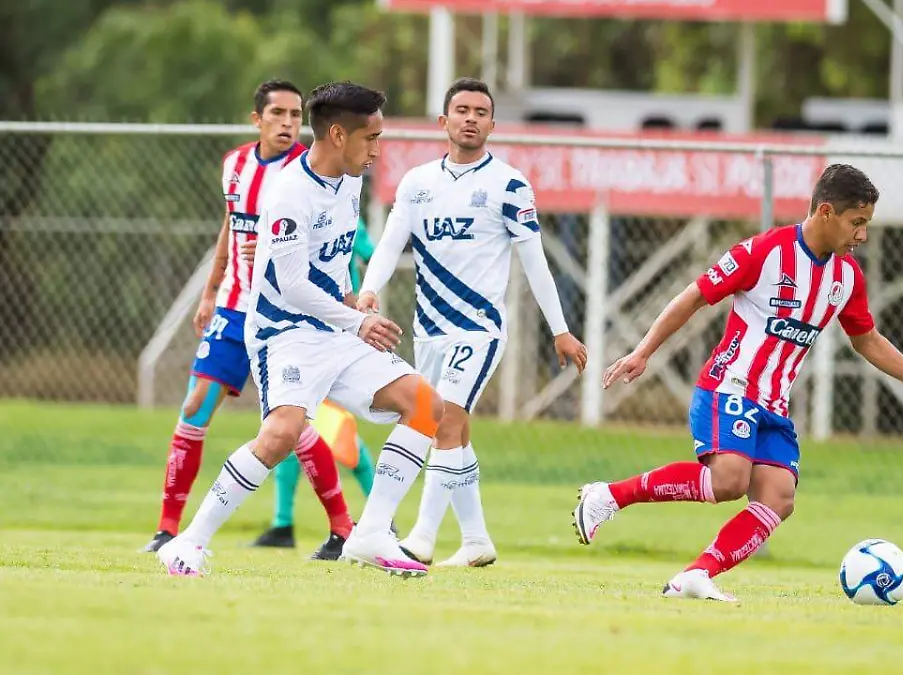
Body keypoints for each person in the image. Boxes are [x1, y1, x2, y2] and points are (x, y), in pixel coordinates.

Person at [572, 164, 903, 601]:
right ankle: (608, 496)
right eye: (857, 223)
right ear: (825, 212)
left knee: (779, 497)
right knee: (729, 480)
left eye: (867, 224)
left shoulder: (846, 278)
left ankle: (695, 575)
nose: (862, 236)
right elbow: (693, 296)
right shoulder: (764, 252)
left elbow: (867, 340)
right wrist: (643, 351)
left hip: (774, 405)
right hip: (730, 388)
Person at [156, 81, 442, 578]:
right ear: (336, 134)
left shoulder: (351, 178)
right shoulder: (289, 192)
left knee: (425, 406)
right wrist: (359, 320)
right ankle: (188, 543)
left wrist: (357, 302)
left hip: (336, 329)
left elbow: (330, 267)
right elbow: (290, 286)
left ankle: (370, 533)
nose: (378, 148)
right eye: (371, 137)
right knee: (282, 434)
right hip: (282, 334)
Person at [359, 77, 587, 568]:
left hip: (479, 331)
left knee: (443, 420)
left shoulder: (508, 184)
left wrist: (560, 329)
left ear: (492, 124)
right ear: (443, 121)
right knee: (453, 435)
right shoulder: (418, 182)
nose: (470, 118)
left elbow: (535, 262)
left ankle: (419, 537)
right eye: (461, 110)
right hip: (429, 331)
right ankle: (477, 539)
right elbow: (390, 243)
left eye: (480, 112)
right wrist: (370, 291)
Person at [144, 80, 356, 561]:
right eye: (278, 114)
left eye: (295, 115)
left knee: (293, 425)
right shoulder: (234, 165)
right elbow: (230, 223)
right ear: (256, 119)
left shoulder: (308, 171)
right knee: (195, 405)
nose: (287, 123)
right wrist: (210, 289)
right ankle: (166, 530)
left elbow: (326, 245)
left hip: (285, 318)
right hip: (235, 309)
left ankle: (343, 528)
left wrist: (280, 253)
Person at [248, 217, 381, 549]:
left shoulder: (346, 215)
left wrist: (361, 297)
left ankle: (380, 517)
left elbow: (373, 254)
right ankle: (283, 525)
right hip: (296, 336)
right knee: (293, 428)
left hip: (336, 333)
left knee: (339, 433)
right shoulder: (292, 211)